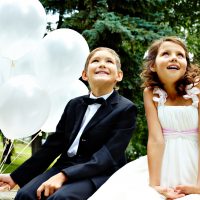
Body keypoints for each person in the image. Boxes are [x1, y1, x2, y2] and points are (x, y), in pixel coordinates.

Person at [0, 47, 137, 200]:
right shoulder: (74, 104)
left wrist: (64, 176)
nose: (102, 64)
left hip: (99, 172)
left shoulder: (126, 109)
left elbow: (107, 156)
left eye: (109, 61)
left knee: (61, 198)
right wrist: (16, 177)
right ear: (84, 75)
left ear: (119, 75)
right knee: (25, 195)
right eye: (95, 61)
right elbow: (53, 145)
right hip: (64, 165)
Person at [88, 36, 200, 200]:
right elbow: (156, 139)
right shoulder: (150, 93)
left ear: (186, 66)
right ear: (154, 65)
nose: (174, 57)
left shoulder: (197, 88)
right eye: (166, 54)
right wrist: (155, 185)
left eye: (180, 55)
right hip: (165, 162)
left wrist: (198, 186)